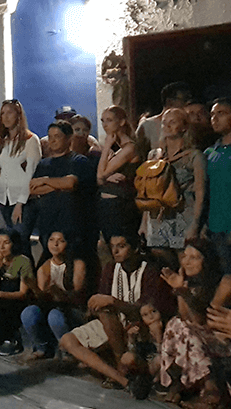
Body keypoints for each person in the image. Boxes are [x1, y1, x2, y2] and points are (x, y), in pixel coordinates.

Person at [60, 234, 175, 390]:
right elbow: (99, 302)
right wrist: (94, 304)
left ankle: (120, 365)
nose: (115, 251)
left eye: (121, 246)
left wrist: (114, 302)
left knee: (108, 310)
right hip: (112, 324)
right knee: (67, 341)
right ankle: (122, 379)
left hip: (139, 328)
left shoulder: (149, 271)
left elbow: (147, 311)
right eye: (113, 247)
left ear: (135, 248)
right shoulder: (110, 268)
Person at [158, 239, 226, 407]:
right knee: (177, 325)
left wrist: (185, 294)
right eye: (185, 256)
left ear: (207, 261)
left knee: (183, 329)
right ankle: (180, 382)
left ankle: (210, 389)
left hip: (220, 341)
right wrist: (181, 290)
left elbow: (201, 321)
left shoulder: (218, 286)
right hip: (195, 337)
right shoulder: (189, 283)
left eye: (194, 257)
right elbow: (185, 318)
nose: (186, 261)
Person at [141, 108, 206, 265]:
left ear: (183, 127)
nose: (167, 126)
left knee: (184, 257)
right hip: (160, 215)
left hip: (184, 213)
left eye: (173, 122)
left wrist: (195, 224)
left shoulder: (194, 156)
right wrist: (144, 222)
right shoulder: (154, 156)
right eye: (165, 122)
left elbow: (200, 192)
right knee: (159, 253)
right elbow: (148, 191)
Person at [27, 120, 97, 260]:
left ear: (69, 138)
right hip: (48, 225)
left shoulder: (79, 161)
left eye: (57, 136)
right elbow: (33, 188)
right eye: (50, 136)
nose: (52, 141)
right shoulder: (43, 164)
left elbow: (70, 183)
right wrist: (58, 184)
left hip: (74, 227)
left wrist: (46, 180)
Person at [21, 231, 89, 360]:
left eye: (61, 241)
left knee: (55, 316)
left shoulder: (77, 264)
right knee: (28, 313)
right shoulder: (44, 267)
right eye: (51, 240)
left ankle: (69, 350)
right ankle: (42, 347)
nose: (55, 244)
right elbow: (43, 298)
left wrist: (59, 294)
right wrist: (34, 288)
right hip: (52, 306)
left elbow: (77, 296)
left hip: (73, 309)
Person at [98, 105, 149, 243]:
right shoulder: (117, 149)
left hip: (120, 206)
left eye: (109, 120)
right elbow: (100, 179)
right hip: (108, 206)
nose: (105, 125)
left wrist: (106, 146)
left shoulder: (129, 148)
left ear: (121, 122)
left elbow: (100, 176)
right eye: (103, 120)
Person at [0, 99, 41, 237]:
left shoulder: (30, 140)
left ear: (18, 115)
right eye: (3, 113)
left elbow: (30, 172)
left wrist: (20, 203)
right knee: (11, 242)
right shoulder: (5, 141)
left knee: (21, 240)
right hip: (5, 199)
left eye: (10, 112)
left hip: (24, 201)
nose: (6, 117)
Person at [204, 98, 231, 282]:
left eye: (221, 113)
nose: (214, 118)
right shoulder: (209, 152)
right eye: (212, 114)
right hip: (213, 227)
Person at [137, 81, 192, 152]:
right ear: (169, 101)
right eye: (184, 99)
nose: (188, 102)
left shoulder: (189, 123)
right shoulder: (147, 126)